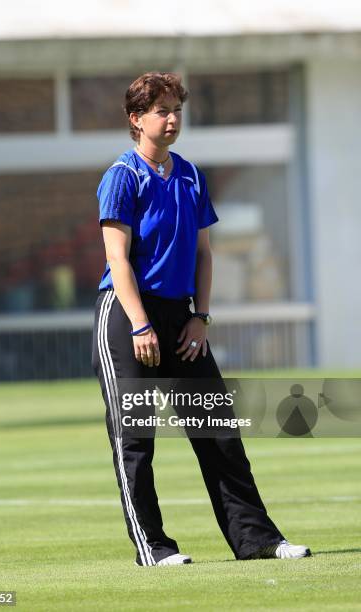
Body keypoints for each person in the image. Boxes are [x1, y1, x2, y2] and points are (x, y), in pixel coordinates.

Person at [91, 72, 311, 566]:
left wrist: (201, 318)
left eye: (177, 110)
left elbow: (204, 254)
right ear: (136, 119)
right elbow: (118, 260)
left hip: (183, 317)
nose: (171, 120)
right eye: (161, 111)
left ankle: (257, 541)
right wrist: (141, 326)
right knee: (136, 440)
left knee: (219, 435)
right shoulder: (123, 176)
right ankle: (154, 547)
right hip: (127, 316)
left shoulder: (190, 174)